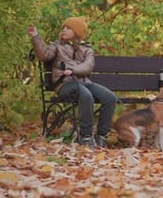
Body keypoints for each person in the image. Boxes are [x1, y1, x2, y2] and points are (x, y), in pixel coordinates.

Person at [27, 16, 117, 148]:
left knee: (110, 98)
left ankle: (101, 136)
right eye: (63, 27)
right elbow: (44, 55)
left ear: (77, 32)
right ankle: (86, 136)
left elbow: (88, 66)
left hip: (84, 82)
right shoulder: (57, 46)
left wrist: (73, 70)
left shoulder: (86, 49)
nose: (64, 30)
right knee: (85, 95)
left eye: (68, 28)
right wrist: (35, 36)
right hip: (64, 84)